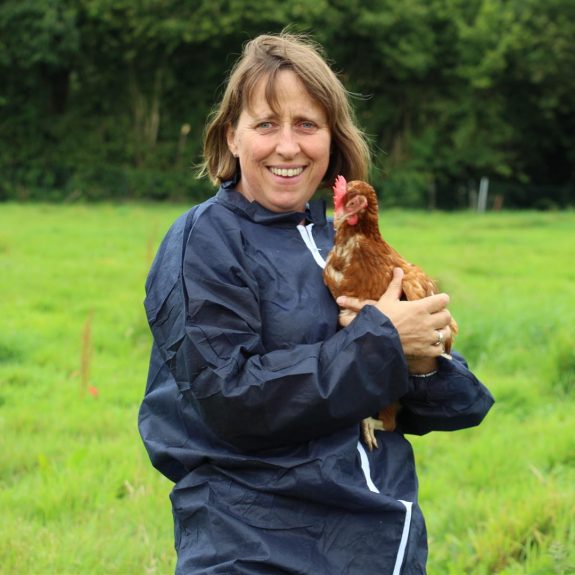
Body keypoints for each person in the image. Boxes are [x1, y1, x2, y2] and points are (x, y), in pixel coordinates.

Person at [139, 32, 494, 574]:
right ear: (231, 137)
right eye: (266, 125)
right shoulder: (204, 241)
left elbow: (459, 405)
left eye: (307, 124)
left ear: (333, 139)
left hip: (381, 544)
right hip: (257, 543)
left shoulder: (341, 247)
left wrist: (423, 362)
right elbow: (228, 397)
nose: (288, 146)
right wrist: (383, 342)